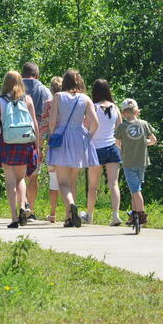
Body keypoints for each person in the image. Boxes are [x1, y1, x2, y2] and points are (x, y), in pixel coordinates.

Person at [46, 69, 99, 228]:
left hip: (62, 137)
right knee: (72, 181)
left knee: (62, 182)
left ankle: (71, 206)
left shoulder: (58, 97)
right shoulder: (86, 98)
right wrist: (87, 138)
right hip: (79, 139)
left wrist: (54, 133)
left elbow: (53, 122)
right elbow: (95, 123)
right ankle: (69, 218)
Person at [0, 70, 41, 229]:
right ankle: (23, 207)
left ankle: (13, 218)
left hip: (6, 142)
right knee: (21, 180)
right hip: (24, 142)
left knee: (10, 181)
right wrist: (37, 146)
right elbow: (35, 124)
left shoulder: (0, 101)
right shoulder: (28, 99)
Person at [85, 79, 123, 226]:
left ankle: (89, 215)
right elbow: (119, 129)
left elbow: (87, 127)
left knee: (93, 186)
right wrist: (119, 147)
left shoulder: (93, 108)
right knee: (114, 184)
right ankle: (115, 215)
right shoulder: (115, 107)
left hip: (96, 149)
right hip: (112, 148)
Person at [115, 98, 157, 227]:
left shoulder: (122, 127)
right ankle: (134, 215)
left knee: (135, 189)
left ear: (123, 113)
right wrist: (144, 144)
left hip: (129, 162)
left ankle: (141, 213)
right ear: (137, 111)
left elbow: (117, 143)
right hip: (142, 161)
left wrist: (124, 148)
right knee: (136, 188)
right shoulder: (144, 124)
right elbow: (153, 140)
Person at [21, 62, 53, 218]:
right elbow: (48, 118)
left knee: (18, 175)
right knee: (33, 176)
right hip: (36, 138)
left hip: (16, 136)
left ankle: (20, 207)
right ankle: (30, 209)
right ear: (37, 75)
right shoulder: (45, 91)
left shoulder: (14, 90)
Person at [45, 76, 64, 223]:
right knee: (67, 181)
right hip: (69, 144)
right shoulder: (70, 102)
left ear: (52, 88)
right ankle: (69, 211)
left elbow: (44, 125)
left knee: (53, 180)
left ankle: (53, 214)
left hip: (53, 143)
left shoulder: (48, 104)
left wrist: (39, 146)